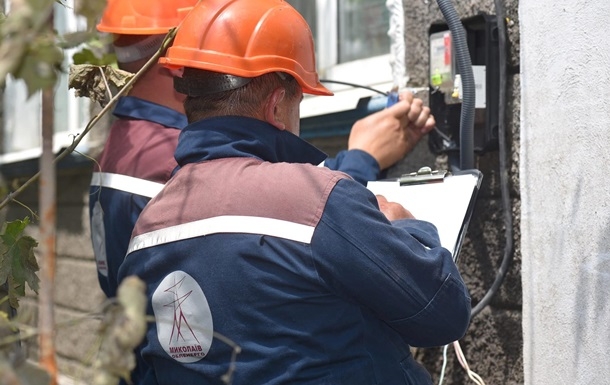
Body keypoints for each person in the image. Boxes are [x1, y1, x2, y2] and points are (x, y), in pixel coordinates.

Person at [117, 0, 471, 384]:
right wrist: (407, 230)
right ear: (276, 106)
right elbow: (443, 314)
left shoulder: (146, 231)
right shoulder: (317, 201)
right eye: (299, 100)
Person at [90, 0, 436, 300]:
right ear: (179, 45)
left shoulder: (127, 146)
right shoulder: (167, 158)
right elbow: (295, 214)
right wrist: (361, 159)